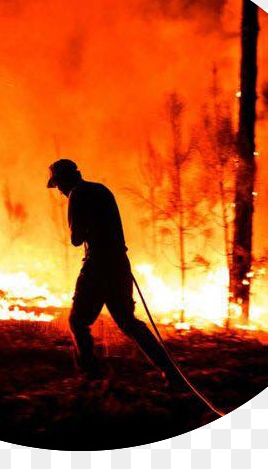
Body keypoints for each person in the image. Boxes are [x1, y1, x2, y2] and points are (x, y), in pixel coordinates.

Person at [46, 159, 181, 385]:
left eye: (58, 184)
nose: (58, 190)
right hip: (119, 264)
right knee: (128, 322)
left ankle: (90, 375)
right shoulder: (102, 190)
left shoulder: (76, 195)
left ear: (64, 180)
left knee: (78, 322)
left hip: (97, 266)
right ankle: (170, 370)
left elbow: (76, 239)